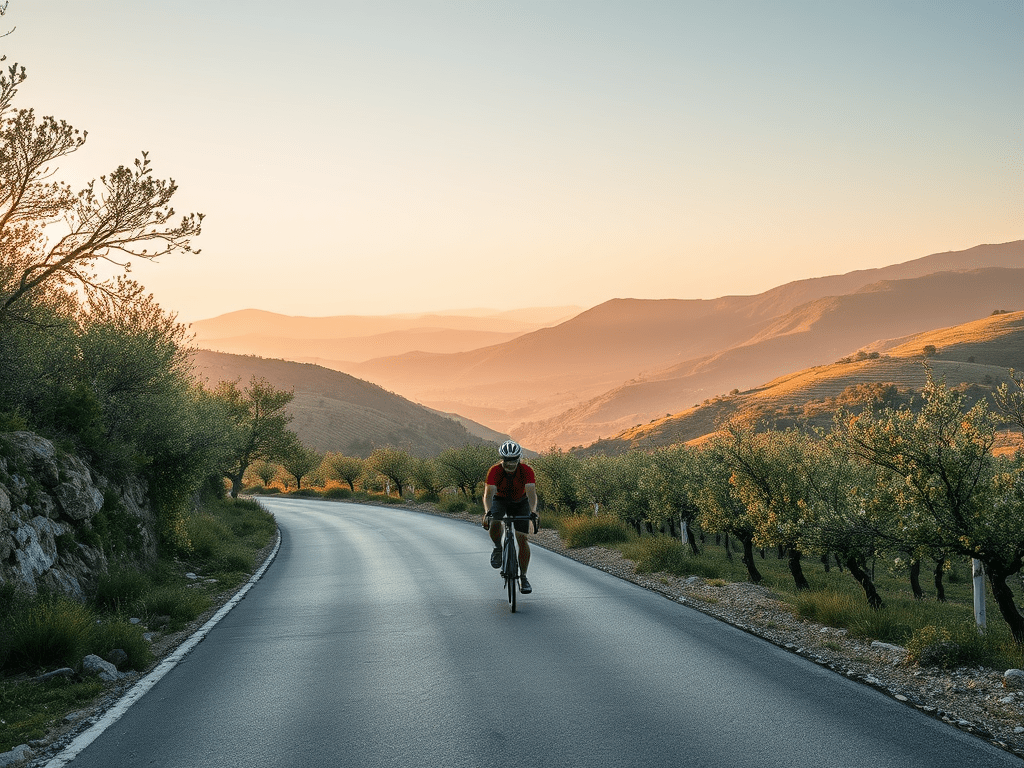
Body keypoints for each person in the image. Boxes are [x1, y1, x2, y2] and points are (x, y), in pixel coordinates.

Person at [482, 440, 538, 594]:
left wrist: (533, 511)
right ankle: (498, 548)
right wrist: (488, 512)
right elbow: (488, 495)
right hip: (499, 500)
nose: (510, 464)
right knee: (495, 521)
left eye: (513, 460)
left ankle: (523, 577)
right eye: (507, 460)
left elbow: (532, 495)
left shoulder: (526, 470)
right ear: (502, 459)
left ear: (518, 458)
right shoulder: (494, 471)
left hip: (521, 502)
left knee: (522, 538)